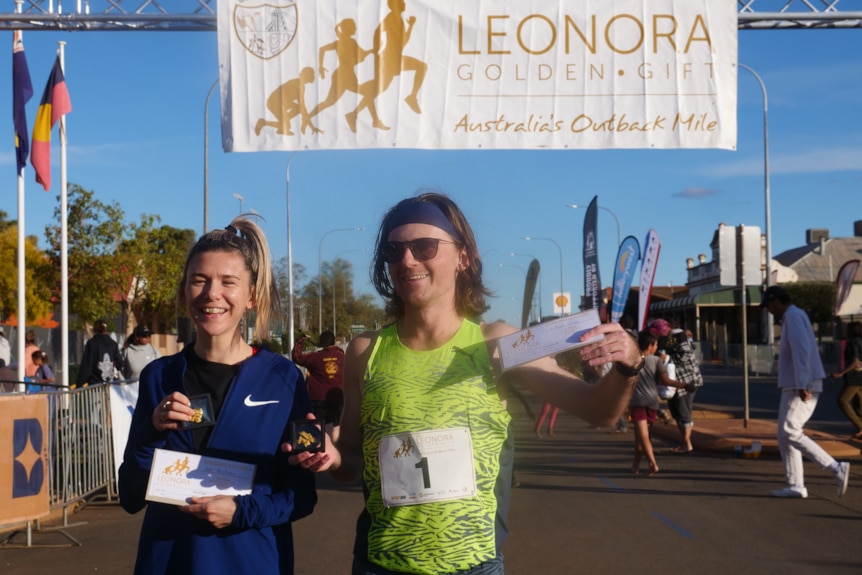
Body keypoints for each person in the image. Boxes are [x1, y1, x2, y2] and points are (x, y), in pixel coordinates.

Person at [286, 192, 642, 574]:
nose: (407, 260)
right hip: (379, 563)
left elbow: (599, 411)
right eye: (394, 250)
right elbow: (351, 462)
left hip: (474, 565)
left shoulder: (498, 343)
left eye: (424, 246)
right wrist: (332, 456)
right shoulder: (363, 351)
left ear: (463, 257)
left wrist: (628, 365)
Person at [118, 217, 317, 574]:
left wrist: (242, 512)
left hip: (252, 562)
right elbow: (130, 496)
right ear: (184, 292)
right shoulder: (158, 376)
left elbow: (302, 496)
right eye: (199, 280)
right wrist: (152, 430)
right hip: (167, 561)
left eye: (229, 282)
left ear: (252, 296)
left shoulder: (283, 379)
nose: (212, 294)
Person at [761, 285, 851, 498]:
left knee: (790, 431)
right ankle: (795, 485)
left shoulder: (793, 317)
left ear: (776, 302)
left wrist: (802, 383)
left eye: (769, 306)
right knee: (784, 435)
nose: (769, 311)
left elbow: (802, 351)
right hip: (795, 383)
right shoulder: (793, 316)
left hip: (800, 384)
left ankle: (835, 467)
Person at [630, 331, 694, 476]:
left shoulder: (634, 361)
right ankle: (635, 466)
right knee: (640, 437)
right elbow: (666, 381)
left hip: (638, 402)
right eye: (656, 344)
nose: (657, 347)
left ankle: (653, 464)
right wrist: (684, 385)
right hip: (653, 403)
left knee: (643, 436)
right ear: (650, 346)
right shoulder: (656, 361)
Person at [649, 318, 702, 453]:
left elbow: (684, 355)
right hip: (678, 381)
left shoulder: (679, 336)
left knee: (683, 411)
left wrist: (667, 359)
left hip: (685, 380)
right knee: (677, 412)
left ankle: (686, 444)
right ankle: (685, 442)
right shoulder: (676, 338)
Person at [292, 330, 345, 441]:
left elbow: (297, 357)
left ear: (321, 342)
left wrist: (300, 341)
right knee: (337, 427)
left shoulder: (316, 357)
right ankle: (336, 449)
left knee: (319, 428)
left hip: (319, 401)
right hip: (339, 399)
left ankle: (321, 449)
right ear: (334, 341)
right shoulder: (342, 357)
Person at [833, 321, 862, 439]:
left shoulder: (853, 343)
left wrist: (841, 373)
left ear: (851, 331)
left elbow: (855, 361)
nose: (845, 332)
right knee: (859, 405)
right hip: (860, 376)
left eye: (847, 330)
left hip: (854, 377)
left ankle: (860, 426)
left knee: (842, 401)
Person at [75, 319, 123, 387]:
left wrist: (79, 383)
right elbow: (120, 363)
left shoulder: (92, 344)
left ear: (95, 330)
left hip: (95, 385)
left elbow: (87, 365)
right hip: (110, 385)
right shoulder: (113, 344)